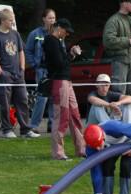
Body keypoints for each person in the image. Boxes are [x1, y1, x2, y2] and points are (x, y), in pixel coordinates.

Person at [0, 8, 40, 138]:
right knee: (5, 103)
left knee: (22, 100)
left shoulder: (15, 34)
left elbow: (21, 51)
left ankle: (25, 129)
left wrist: (22, 68)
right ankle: (7, 129)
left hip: (18, 74)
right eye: (10, 20)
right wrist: (0, 72)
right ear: (3, 21)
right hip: (4, 75)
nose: (12, 22)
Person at [102, 0, 131, 131]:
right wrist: (128, 41)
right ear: (124, 3)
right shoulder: (114, 20)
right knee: (119, 91)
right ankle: (119, 122)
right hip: (119, 60)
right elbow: (108, 41)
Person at [43, 18, 85, 160]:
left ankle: (81, 149)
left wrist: (70, 53)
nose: (66, 35)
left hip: (66, 81)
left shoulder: (58, 42)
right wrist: (71, 54)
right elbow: (59, 64)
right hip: (59, 82)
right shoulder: (50, 41)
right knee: (61, 117)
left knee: (75, 115)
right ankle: (58, 152)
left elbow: (63, 62)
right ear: (59, 28)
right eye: (66, 32)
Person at [84, 121, 131, 194]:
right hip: (110, 147)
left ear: (103, 138)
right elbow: (96, 171)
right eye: (95, 147)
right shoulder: (90, 147)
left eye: (99, 146)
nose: (98, 149)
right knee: (107, 167)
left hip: (127, 141)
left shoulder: (116, 128)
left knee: (126, 167)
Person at [25, 8, 56, 133]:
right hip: (41, 70)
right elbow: (28, 50)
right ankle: (34, 125)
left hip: (54, 70)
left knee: (54, 97)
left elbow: (62, 49)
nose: (52, 20)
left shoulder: (57, 33)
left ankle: (52, 124)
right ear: (44, 19)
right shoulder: (35, 34)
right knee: (42, 98)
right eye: (49, 18)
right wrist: (34, 64)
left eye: (54, 18)